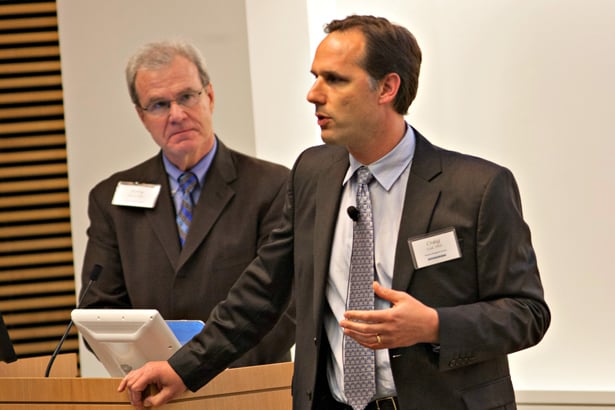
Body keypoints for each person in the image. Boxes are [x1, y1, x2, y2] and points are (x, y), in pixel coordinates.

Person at [119, 15, 550, 409]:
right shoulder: (312, 172)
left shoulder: (476, 188)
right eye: (314, 77)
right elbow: (260, 293)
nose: (313, 94)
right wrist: (183, 368)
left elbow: (527, 314)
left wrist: (434, 325)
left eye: (335, 79)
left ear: (386, 88)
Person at [79, 39, 295, 368]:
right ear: (141, 116)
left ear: (209, 95)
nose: (177, 115)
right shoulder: (111, 199)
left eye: (186, 97)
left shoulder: (273, 186)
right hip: (155, 393)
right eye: (159, 105)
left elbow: (287, 307)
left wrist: (192, 371)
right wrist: (159, 372)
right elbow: (100, 312)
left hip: (249, 387)